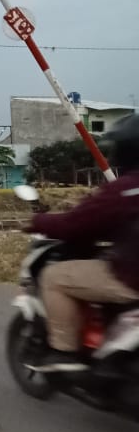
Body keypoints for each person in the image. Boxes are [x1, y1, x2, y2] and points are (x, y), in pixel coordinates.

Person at [28, 114, 139, 371]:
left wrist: (39, 221)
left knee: (54, 277)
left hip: (131, 277)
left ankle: (63, 351)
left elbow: (74, 224)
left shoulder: (124, 189)